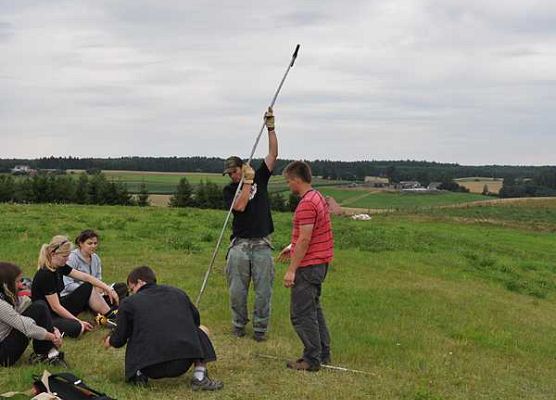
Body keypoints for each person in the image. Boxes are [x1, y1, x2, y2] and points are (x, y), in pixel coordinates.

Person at [104, 266, 223, 391]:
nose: (132, 293)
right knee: (201, 330)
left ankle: (138, 375)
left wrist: (110, 340)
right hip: (182, 363)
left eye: (132, 289)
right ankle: (199, 376)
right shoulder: (178, 293)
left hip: (149, 367)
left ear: (139, 282)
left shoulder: (129, 302)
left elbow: (120, 339)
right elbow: (195, 322)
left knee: (135, 333)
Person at [222, 107, 277, 341]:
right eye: (230, 174)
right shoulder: (229, 190)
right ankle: (238, 325)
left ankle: (260, 329)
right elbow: (241, 206)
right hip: (240, 245)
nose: (232, 176)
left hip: (262, 243)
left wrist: (271, 128)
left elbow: (273, 154)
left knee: (264, 290)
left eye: (234, 172)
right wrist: (246, 182)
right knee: (237, 290)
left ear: (241, 166)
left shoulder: (260, 176)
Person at [278, 161, 334, 372]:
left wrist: (291, 269)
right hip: (319, 263)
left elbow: (305, 239)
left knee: (301, 314)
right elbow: (309, 235)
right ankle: (323, 353)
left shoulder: (306, 204)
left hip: (309, 266)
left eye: (288, 181)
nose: (288, 185)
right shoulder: (317, 196)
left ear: (296, 180)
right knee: (313, 310)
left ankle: (311, 359)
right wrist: (290, 247)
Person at [31, 235, 119, 338]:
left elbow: (85, 277)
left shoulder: (59, 266)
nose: (67, 259)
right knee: (78, 328)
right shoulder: (46, 274)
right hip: (47, 315)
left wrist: (107, 288)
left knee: (87, 287)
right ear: (53, 254)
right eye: (65, 256)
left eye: (68, 255)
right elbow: (56, 307)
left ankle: (112, 317)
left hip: (59, 306)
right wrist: (78, 321)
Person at [0, 262, 65, 367]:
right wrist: (52, 337)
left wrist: (53, 329)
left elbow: (27, 310)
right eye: (17, 282)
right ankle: (45, 353)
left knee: (39, 306)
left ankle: (45, 352)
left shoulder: (7, 296)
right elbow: (26, 327)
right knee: (39, 307)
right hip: (3, 356)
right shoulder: (1, 304)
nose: (21, 285)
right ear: (5, 284)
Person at [61, 230, 128, 302]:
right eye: (90, 243)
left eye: (95, 243)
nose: (93, 246)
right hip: (73, 294)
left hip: (94, 292)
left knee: (121, 287)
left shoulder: (96, 258)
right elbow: (67, 285)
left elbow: (98, 279)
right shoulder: (71, 258)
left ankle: (112, 303)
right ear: (81, 243)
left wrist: (102, 288)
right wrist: (90, 289)